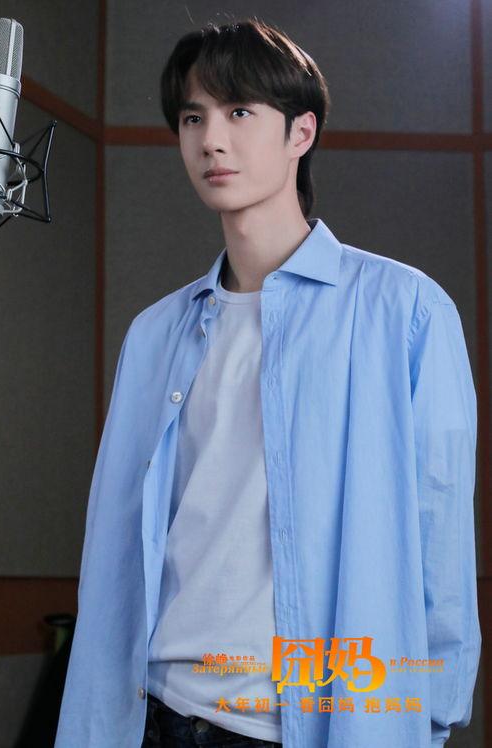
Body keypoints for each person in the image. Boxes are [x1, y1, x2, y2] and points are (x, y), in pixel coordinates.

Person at [54, 17, 481, 748]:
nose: (211, 141)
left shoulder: (403, 311)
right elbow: (118, 552)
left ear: (300, 133)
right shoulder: (154, 334)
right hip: (152, 717)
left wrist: (431, 716)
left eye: (239, 111)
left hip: (303, 725)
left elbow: (439, 533)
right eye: (193, 118)